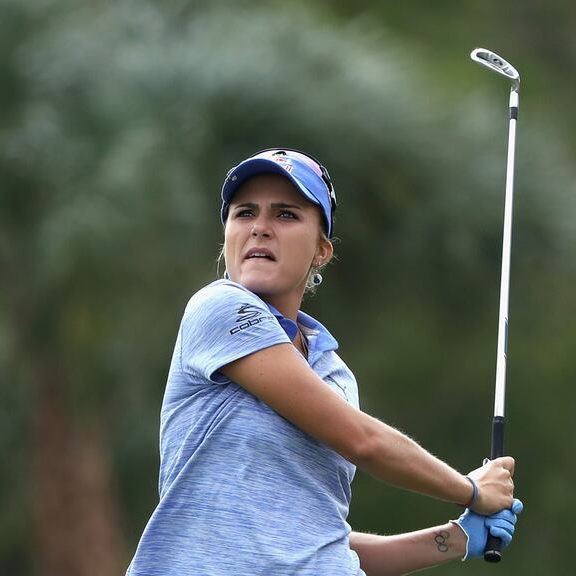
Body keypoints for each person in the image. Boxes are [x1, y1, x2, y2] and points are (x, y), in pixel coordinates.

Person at [126, 149, 524, 575]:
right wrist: (469, 489)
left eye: (285, 215)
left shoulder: (334, 373)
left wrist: (456, 540)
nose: (260, 228)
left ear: (322, 250)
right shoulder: (218, 307)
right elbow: (363, 441)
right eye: (244, 213)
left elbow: (317, 540)